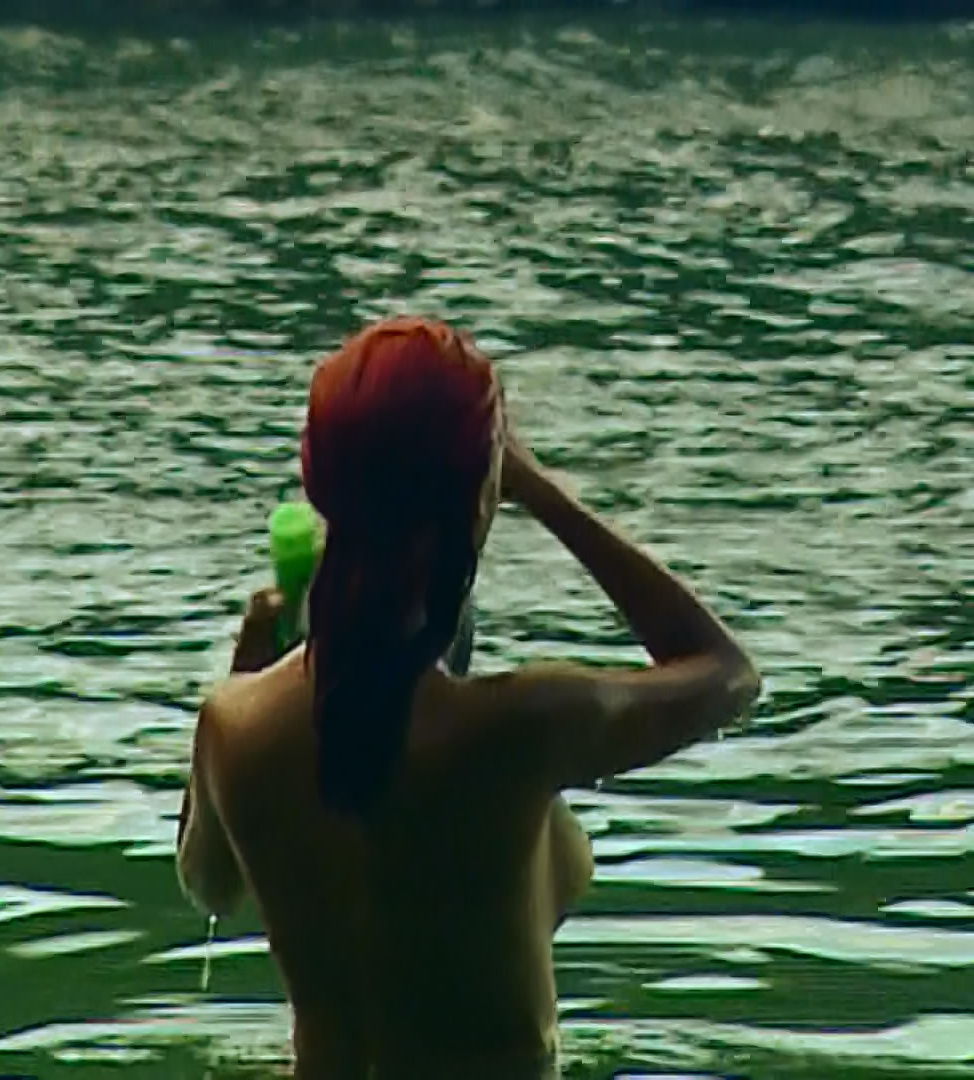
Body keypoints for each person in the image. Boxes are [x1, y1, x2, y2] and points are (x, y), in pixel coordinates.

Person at [174, 316, 761, 1079]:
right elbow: (727, 674)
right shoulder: (518, 728)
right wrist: (541, 490)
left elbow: (211, 888)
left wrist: (249, 667)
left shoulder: (234, 721)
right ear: (481, 494)